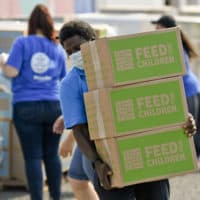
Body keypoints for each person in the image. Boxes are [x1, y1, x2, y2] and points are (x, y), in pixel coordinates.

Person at [58, 19, 197, 200]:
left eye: (78, 48)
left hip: (147, 151)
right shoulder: (70, 84)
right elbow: (79, 130)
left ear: (93, 40)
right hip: (108, 161)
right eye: (69, 52)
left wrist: (181, 119)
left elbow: (153, 100)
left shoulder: (122, 64)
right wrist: (97, 163)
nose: (75, 55)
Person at [0, 4, 67, 200]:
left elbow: (12, 71)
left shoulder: (22, 43)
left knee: (33, 157)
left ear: (31, 23)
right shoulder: (57, 48)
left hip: (26, 106)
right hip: (53, 106)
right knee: (51, 155)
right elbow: (63, 77)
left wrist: (3, 62)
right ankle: (56, 197)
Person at [151, 15, 200, 157]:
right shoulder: (172, 44)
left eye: (158, 27)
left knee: (190, 128)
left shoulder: (173, 45)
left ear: (167, 28)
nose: (155, 30)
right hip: (192, 88)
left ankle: (192, 162)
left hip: (187, 91)